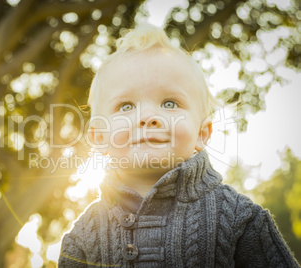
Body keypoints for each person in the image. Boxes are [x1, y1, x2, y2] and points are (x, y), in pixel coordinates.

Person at [58, 25, 299, 267]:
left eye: (170, 103)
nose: (148, 116)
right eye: (126, 106)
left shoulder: (240, 218)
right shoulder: (83, 236)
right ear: (99, 137)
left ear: (202, 133)